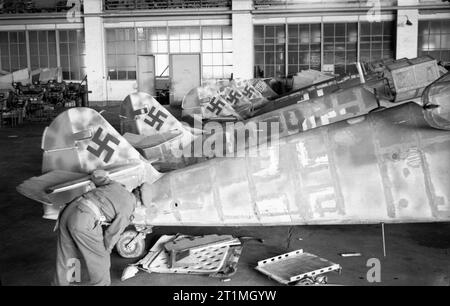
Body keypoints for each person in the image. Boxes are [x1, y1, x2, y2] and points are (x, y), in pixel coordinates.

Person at [53, 170, 141, 286]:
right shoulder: (128, 207)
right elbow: (112, 234)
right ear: (140, 202)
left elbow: (97, 176)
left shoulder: (116, 186)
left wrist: (102, 173)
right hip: (83, 219)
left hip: (68, 210)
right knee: (101, 259)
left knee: (68, 253)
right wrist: (106, 251)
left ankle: (63, 284)